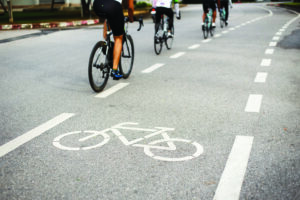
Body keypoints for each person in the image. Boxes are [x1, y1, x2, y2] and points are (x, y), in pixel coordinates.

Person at [93, 0, 134, 79]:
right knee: (118, 38)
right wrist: (131, 18)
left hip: (97, 5)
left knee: (109, 16)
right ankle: (114, 70)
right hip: (113, 6)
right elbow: (130, 7)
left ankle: (106, 43)